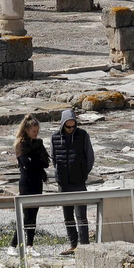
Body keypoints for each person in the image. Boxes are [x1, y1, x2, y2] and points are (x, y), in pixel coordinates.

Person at [51, 107, 95, 252]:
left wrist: (83, 173)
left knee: (81, 216)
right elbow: (54, 159)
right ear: (63, 124)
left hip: (79, 181)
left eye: (73, 126)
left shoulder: (83, 135)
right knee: (68, 216)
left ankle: (84, 246)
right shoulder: (55, 137)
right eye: (68, 126)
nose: (70, 129)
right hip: (63, 183)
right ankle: (73, 245)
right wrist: (59, 174)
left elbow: (90, 157)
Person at [7, 114, 49, 255]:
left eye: (37, 131)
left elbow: (46, 162)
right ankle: (13, 246)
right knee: (25, 216)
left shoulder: (39, 143)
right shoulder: (21, 145)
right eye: (33, 131)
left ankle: (30, 246)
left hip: (37, 182)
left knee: (34, 215)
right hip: (26, 183)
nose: (36, 134)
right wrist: (36, 161)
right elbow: (26, 164)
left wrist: (34, 161)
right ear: (27, 130)